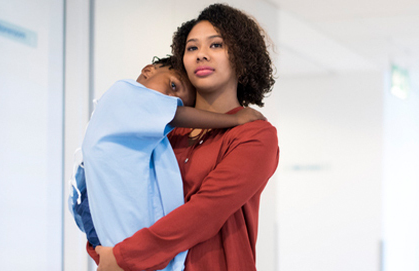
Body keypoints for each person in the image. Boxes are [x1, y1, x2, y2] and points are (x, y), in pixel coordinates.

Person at [91, 4, 279, 271]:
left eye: (215, 45)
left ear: (241, 56)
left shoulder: (254, 135)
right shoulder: (162, 131)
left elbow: (204, 212)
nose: (201, 55)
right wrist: (102, 246)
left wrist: (124, 256)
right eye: (192, 48)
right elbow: (111, 185)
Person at [69, 56, 266, 271]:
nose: (173, 100)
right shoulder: (124, 91)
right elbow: (176, 115)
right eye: (173, 86)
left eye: (181, 101)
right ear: (148, 71)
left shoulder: (158, 137)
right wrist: (234, 120)